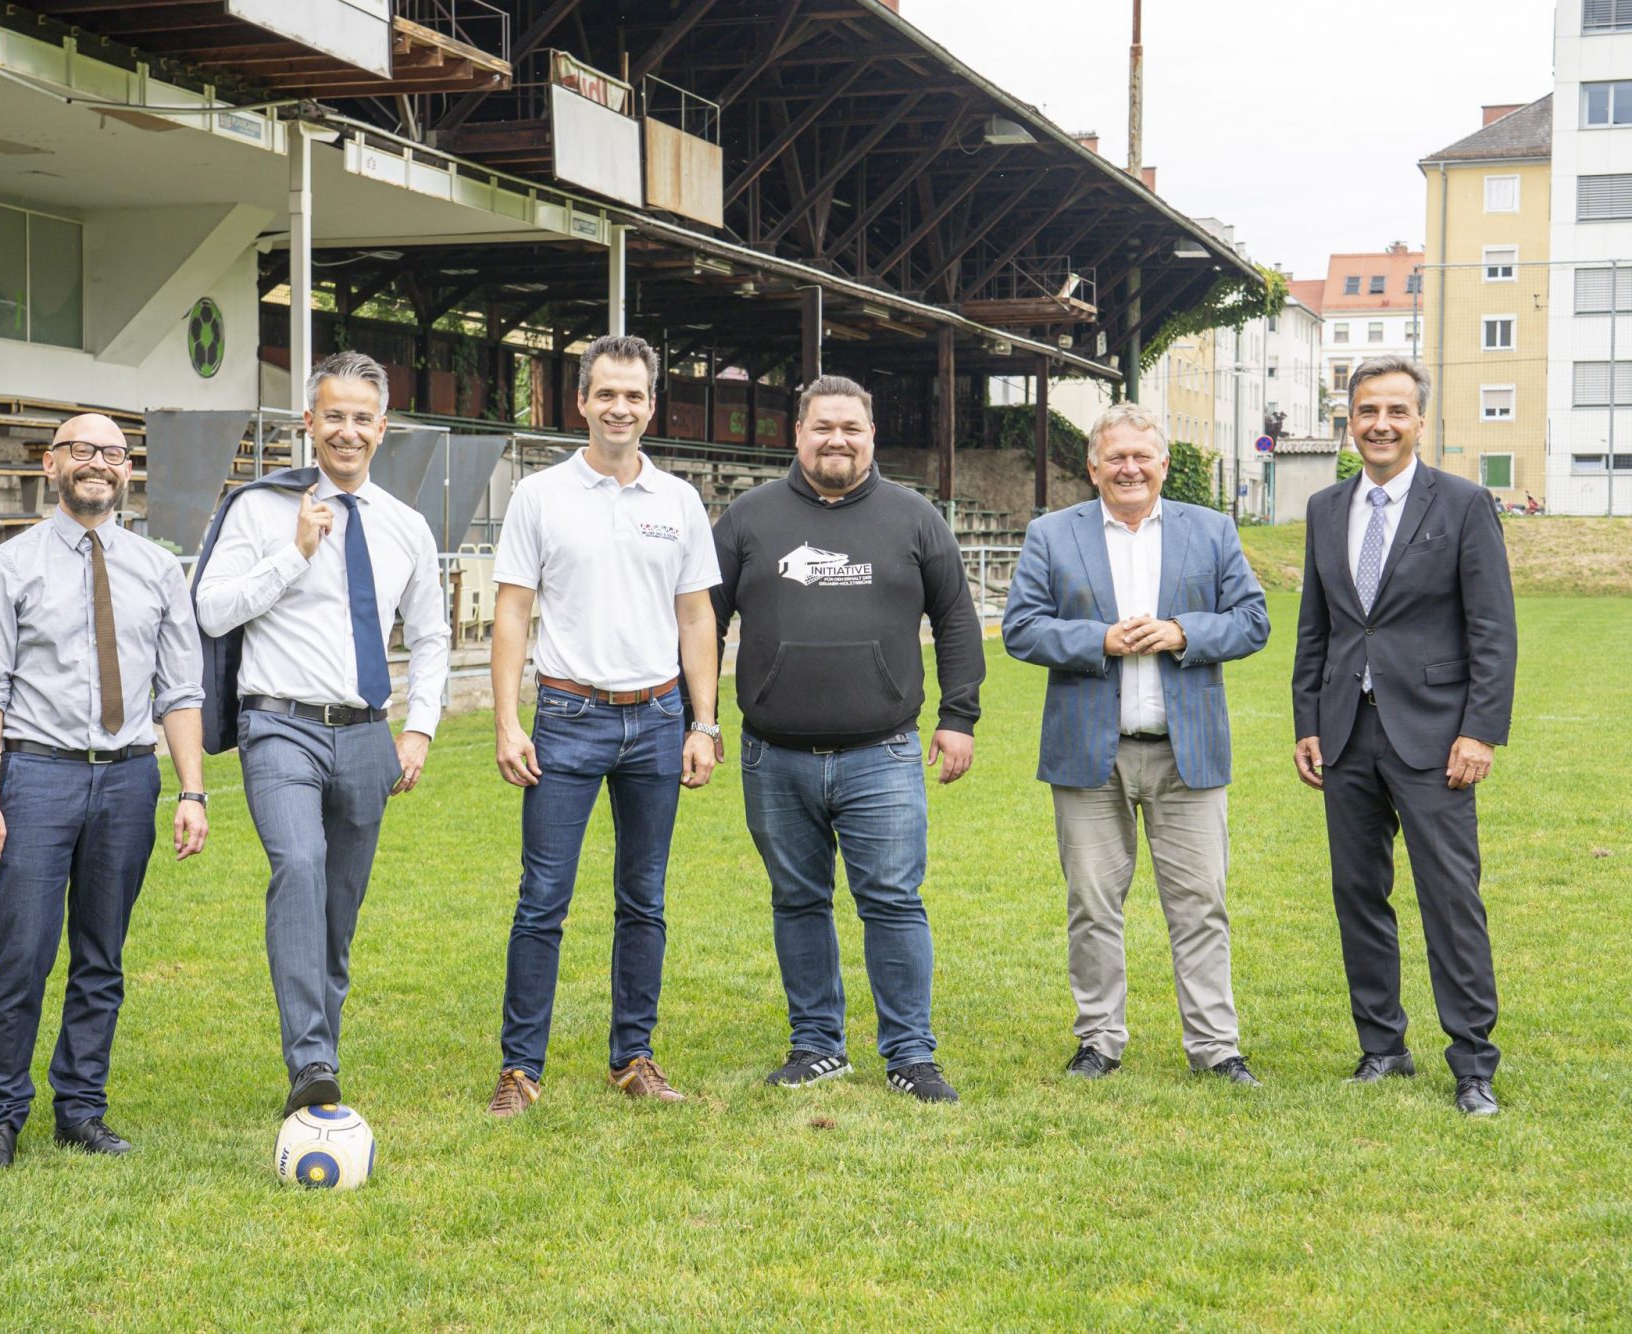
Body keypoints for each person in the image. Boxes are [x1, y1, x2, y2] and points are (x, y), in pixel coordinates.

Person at [710, 374, 982, 1103]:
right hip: (774, 755)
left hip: (883, 754)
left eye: (851, 428)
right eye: (823, 426)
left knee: (892, 902)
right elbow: (700, 624)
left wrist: (959, 717)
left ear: (871, 437)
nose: (837, 439)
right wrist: (697, 721)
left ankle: (910, 1055)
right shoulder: (748, 520)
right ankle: (816, 1045)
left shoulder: (914, 518)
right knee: (797, 901)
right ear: (796, 434)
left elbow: (956, 619)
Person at [193, 351, 449, 1115]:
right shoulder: (259, 510)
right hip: (280, 725)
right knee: (299, 865)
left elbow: (431, 637)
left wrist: (420, 730)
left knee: (338, 913)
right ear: (308, 423)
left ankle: (319, 1060)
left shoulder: (405, 527)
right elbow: (209, 611)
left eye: (360, 417)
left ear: (383, 427)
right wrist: (294, 552)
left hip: (369, 736)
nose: (346, 430)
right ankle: (309, 1061)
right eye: (331, 415)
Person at [0, 413, 209, 1170]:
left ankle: (81, 1110)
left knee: (102, 955)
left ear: (126, 471)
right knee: (23, 955)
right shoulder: (9, 566)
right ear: (51, 464)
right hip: (37, 775)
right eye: (81, 450)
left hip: (131, 779)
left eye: (112, 452)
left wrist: (192, 792)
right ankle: (0, 1120)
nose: (97, 463)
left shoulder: (159, 569)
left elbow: (182, 690)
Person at [485, 333, 722, 1117]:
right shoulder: (540, 496)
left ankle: (634, 1057)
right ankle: (520, 1070)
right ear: (581, 401)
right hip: (566, 717)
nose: (619, 407)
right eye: (606, 393)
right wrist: (508, 722)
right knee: (542, 899)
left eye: (634, 395)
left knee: (643, 899)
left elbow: (697, 620)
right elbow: (512, 613)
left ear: (652, 406)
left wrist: (704, 723)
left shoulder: (680, 501)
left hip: (657, 719)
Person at [1002, 402, 1270, 1086]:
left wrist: (1186, 633)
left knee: (1201, 902)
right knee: (1092, 904)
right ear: (1092, 467)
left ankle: (1216, 1046)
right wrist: (1097, 640)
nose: (1129, 468)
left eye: (1141, 457)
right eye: (1115, 457)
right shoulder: (1052, 534)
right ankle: (1099, 1041)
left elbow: (1252, 620)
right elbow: (1021, 628)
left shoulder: (1209, 531)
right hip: (1089, 752)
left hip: (1189, 752)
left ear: (1164, 465)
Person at [1292, 355, 1516, 1116]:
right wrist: (1307, 724)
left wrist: (1480, 730)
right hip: (1347, 735)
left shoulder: (1461, 503)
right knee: (1358, 893)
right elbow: (1316, 629)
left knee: (1450, 897)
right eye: (1365, 411)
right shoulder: (1326, 509)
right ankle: (1382, 1047)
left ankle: (1472, 1063)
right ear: (1348, 421)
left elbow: (1493, 629)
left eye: (1394, 411)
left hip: (1436, 737)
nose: (1379, 425)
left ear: (1420, 421)